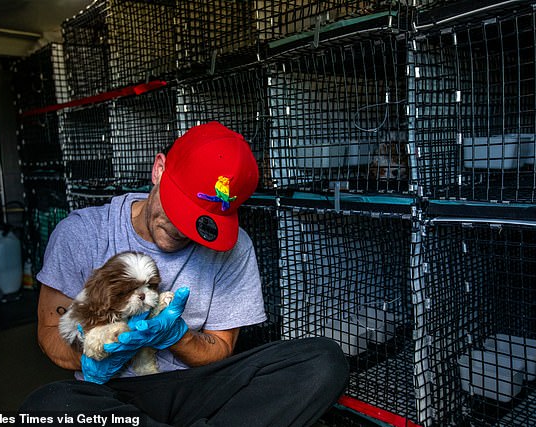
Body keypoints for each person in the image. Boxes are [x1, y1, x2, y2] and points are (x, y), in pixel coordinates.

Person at [20, 122, 349, 426]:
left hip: (193, 387)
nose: (182, 230)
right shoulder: (82, 232)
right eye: (179, 209)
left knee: (323, 362)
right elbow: (50, 333)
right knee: (49, 404)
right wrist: (95, 356)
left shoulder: (236, 248)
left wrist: (178, 336)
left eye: (200, 223)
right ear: (158, 169)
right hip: (113, 390)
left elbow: (220, 349)